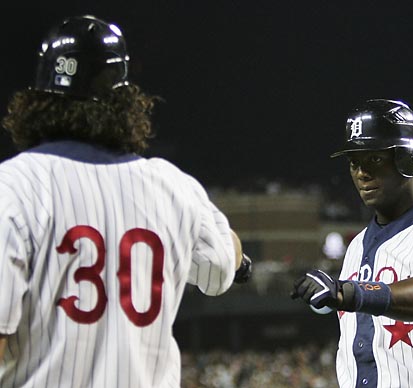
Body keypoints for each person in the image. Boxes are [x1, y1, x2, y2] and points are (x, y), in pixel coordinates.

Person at [0, 15, 251, 387]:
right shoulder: (172, 186)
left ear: (35, 102)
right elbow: (220, 267)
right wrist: (238, 256)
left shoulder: (13, 186)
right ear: (126, 102)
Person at [291, 99, 413, 387]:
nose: (361, 172)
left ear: (408, 158)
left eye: (374, 158)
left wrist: (349, 292)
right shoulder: (357, 247)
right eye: (354, 162)